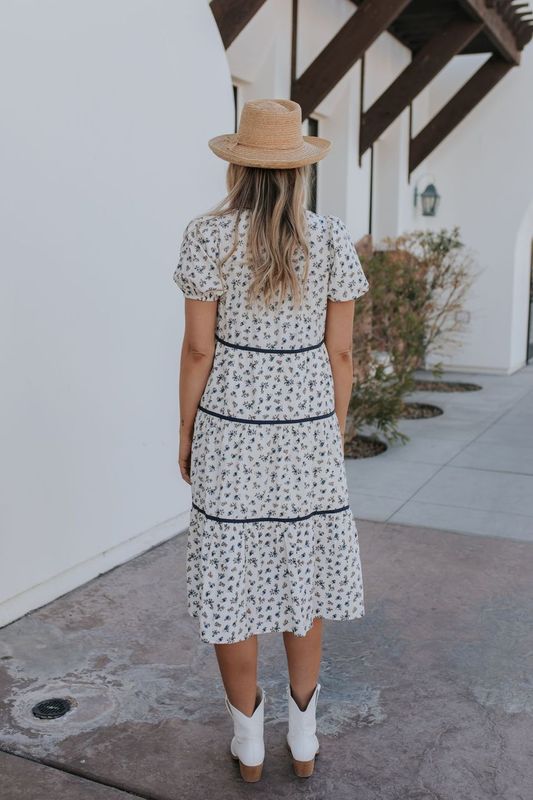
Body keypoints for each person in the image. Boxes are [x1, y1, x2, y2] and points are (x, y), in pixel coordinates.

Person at [173, 98, 369, 782]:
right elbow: (340, 354)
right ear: (296, 172)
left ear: (239, 167)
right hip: (308, 433)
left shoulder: (206, 236)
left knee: (232, 579)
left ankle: (249, 742)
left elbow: (199, 349)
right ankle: (305, 740)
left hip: (230, 430)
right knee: (303, 579)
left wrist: (187, 430)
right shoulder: (332, 237)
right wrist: (332, 428)